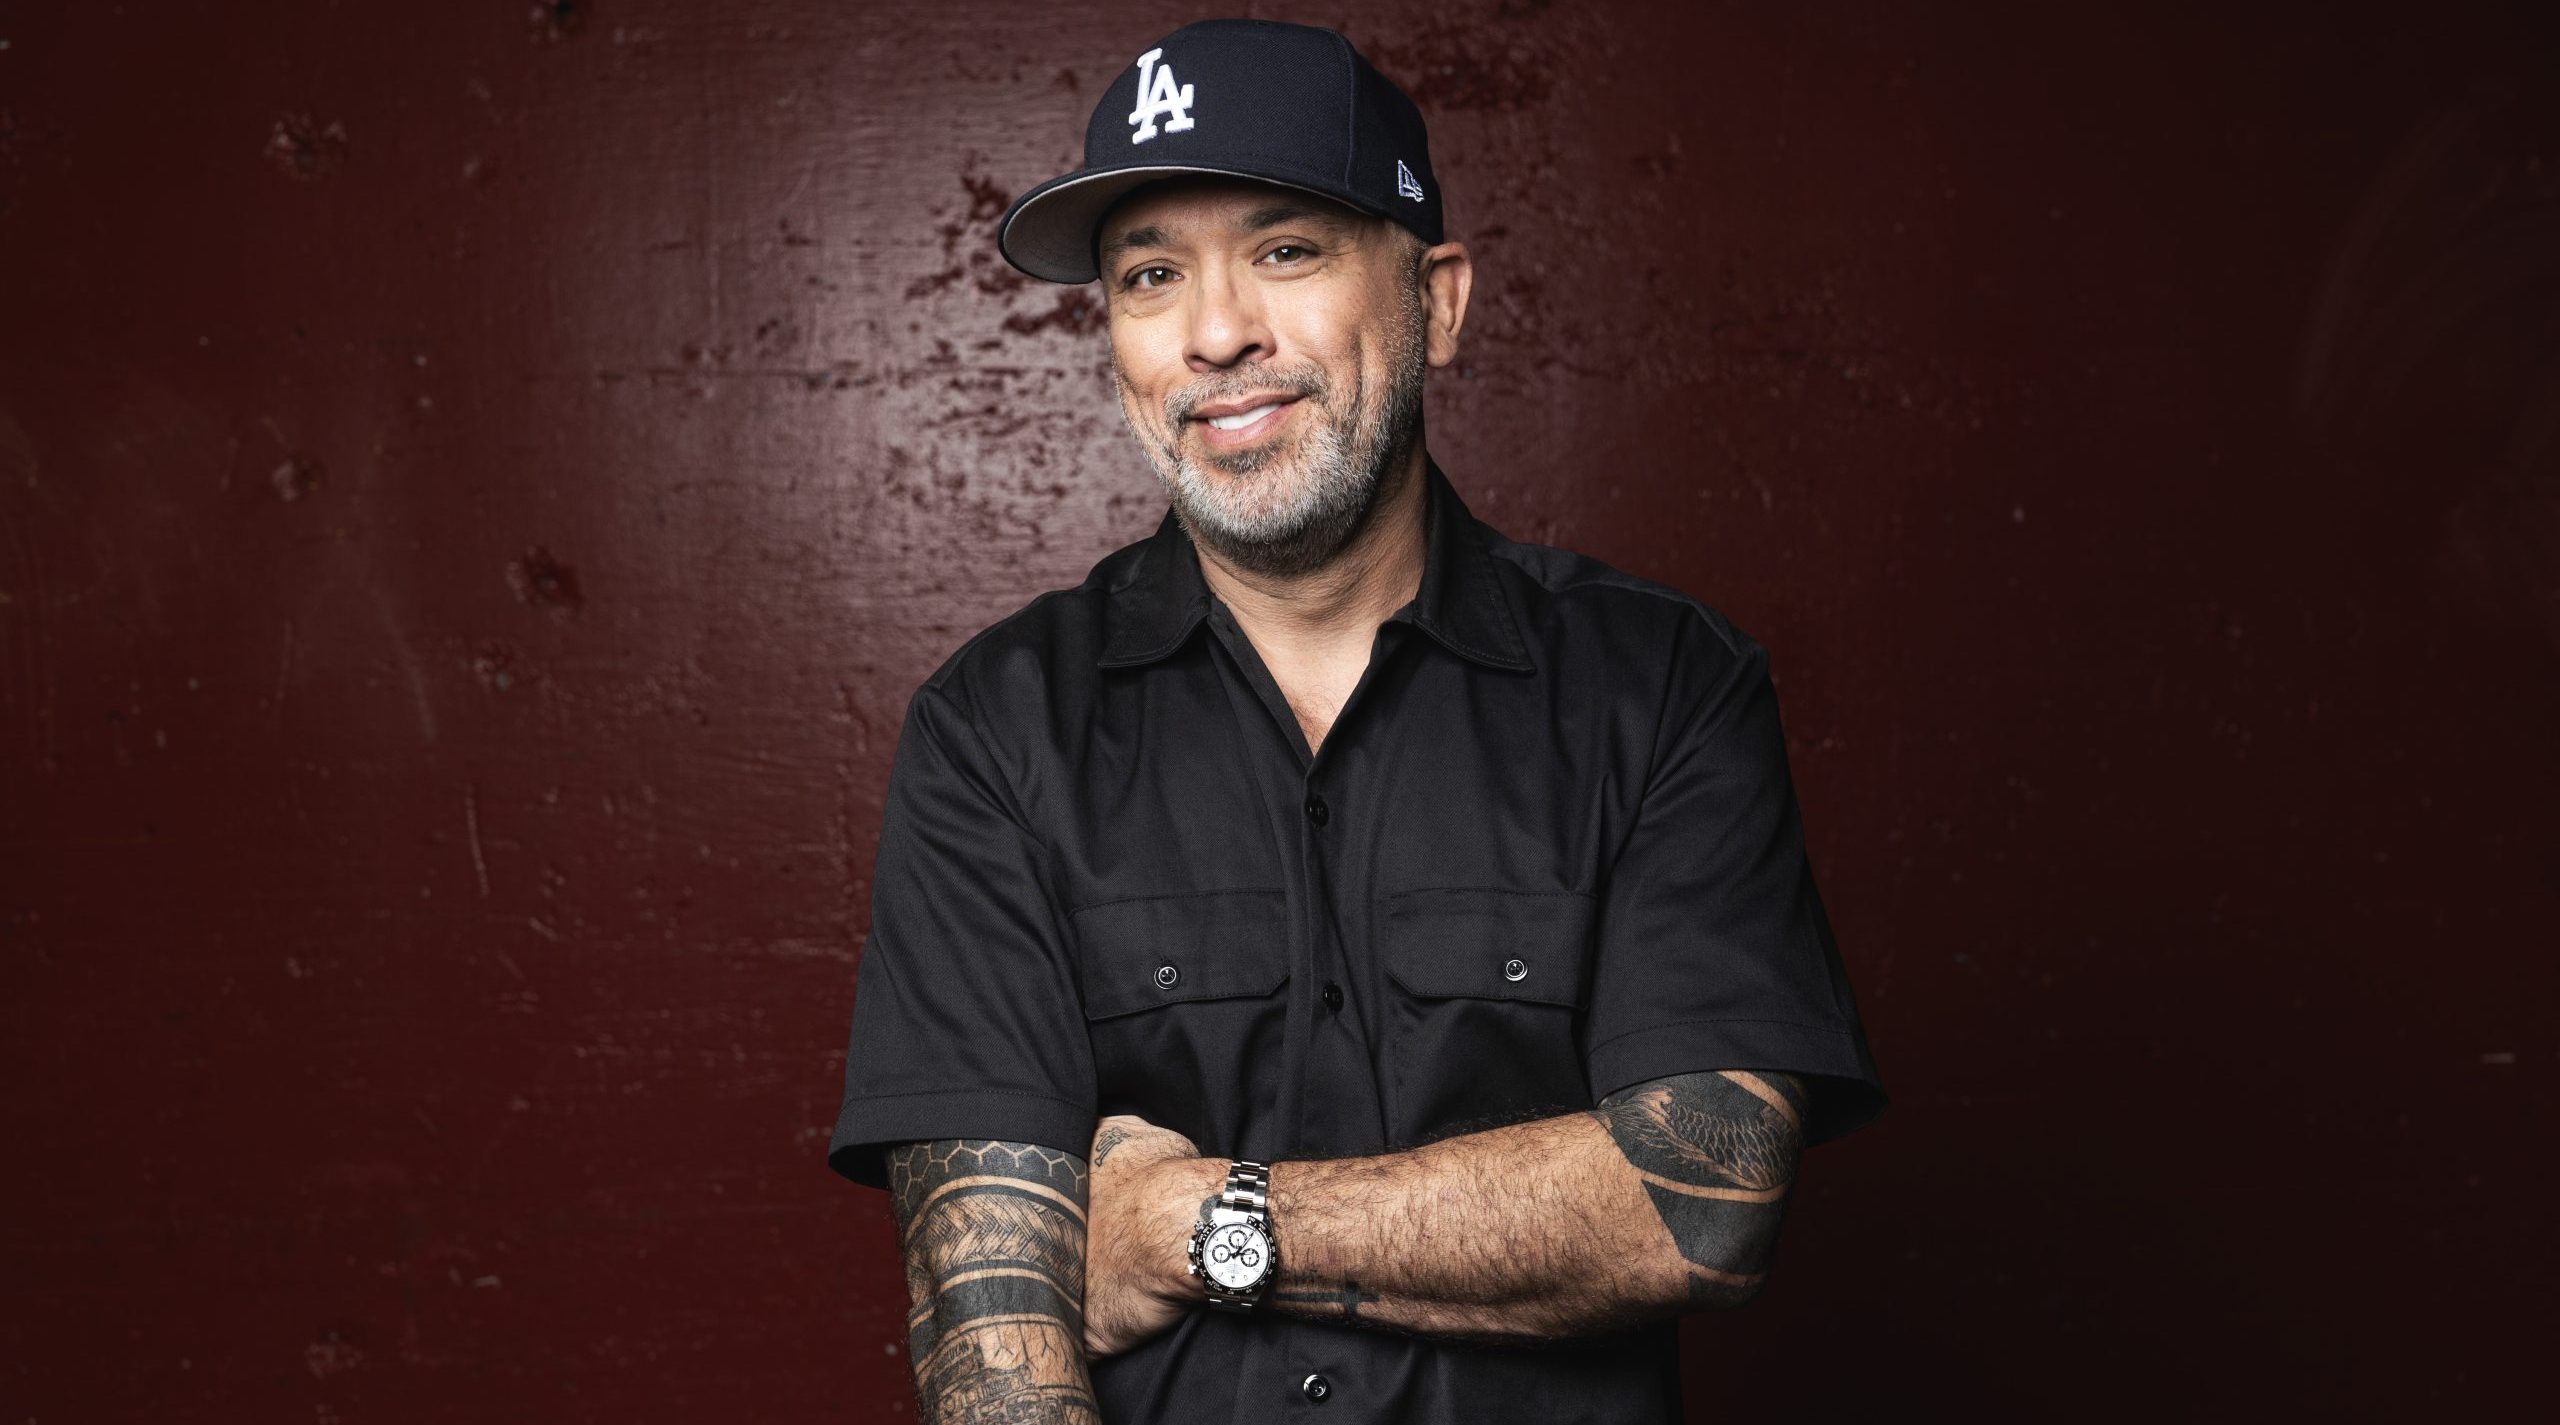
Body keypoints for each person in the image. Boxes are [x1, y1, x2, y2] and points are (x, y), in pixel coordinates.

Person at [824, 18, 1886, 1423]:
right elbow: (996, 1339)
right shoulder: (994, 733)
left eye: (1287, 251)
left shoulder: (1664, 686)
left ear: (1437, 300)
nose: (1215, 332)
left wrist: (1197, 1221)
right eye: (1151, 275)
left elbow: (1701, 1197)